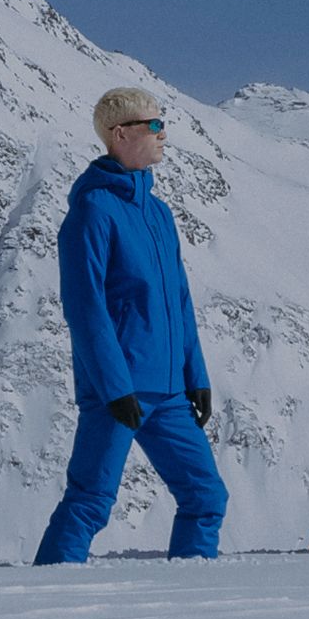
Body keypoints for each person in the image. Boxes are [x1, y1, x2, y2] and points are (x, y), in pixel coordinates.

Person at [34, 86, 227, 564]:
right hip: (118, 391)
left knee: (206, 498)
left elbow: (179, 302)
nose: (165, 136)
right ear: (120, 135)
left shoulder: (159, 214)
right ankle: (44, 600)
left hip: (170, 393)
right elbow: (85, 307)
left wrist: (196, 378)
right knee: (91, 501)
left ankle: (190, 600)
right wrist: (115, 386)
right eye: (155, 126)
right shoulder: (92, 211)